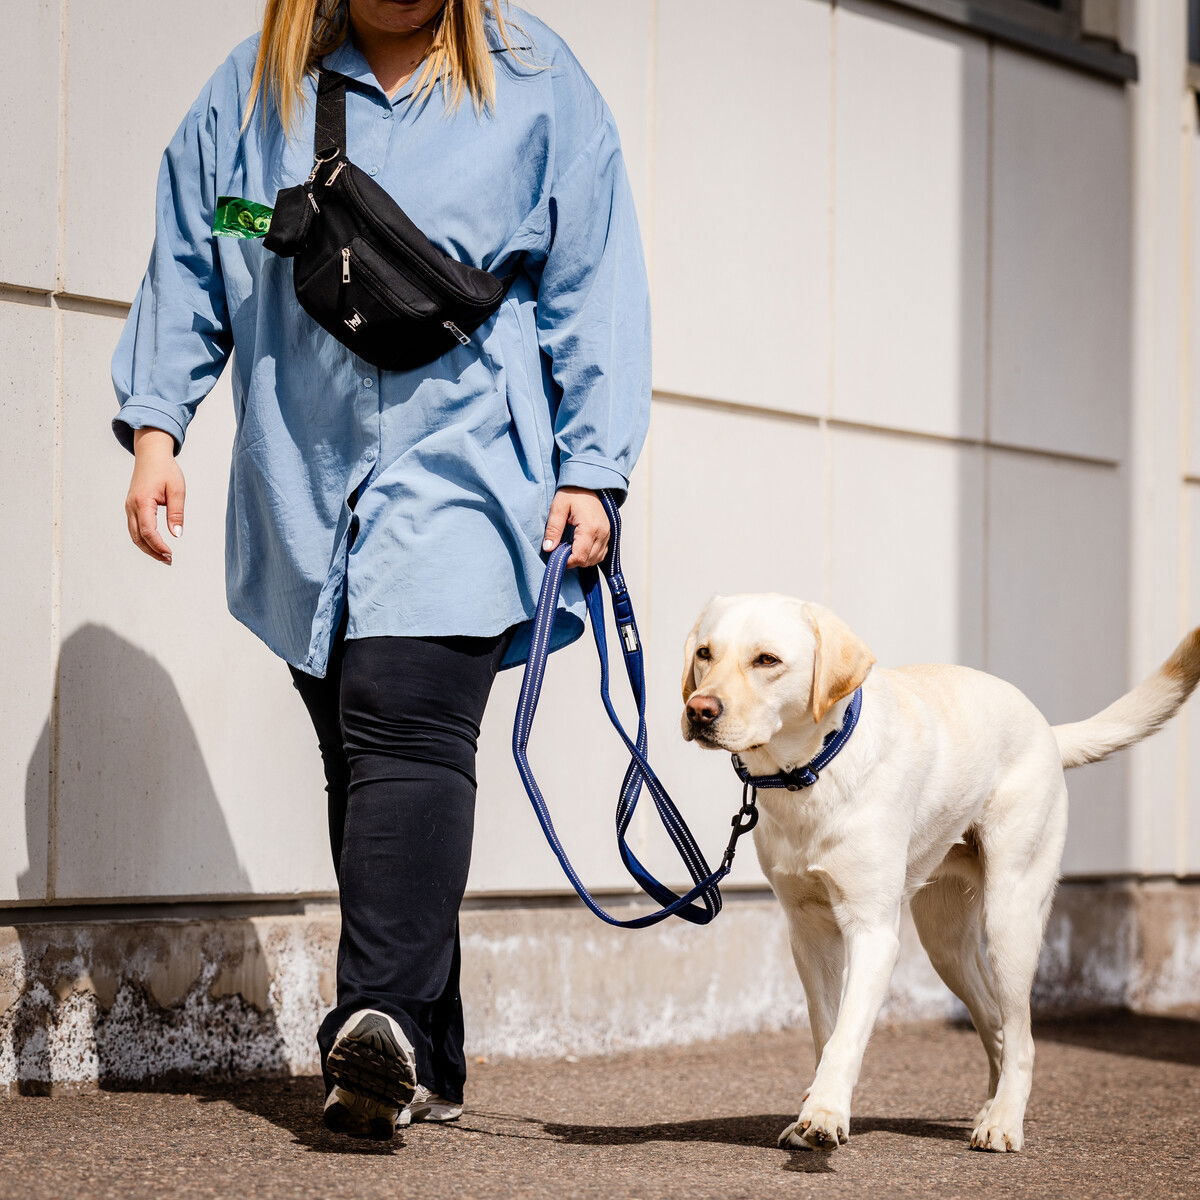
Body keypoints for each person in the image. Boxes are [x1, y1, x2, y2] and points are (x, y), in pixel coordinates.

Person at [109, 0, 650, 1140]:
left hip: (468, 463)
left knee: (404, 718)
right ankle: (431, 1049)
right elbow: (199, 243)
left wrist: (593, 470)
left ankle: (376, 1021)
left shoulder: (537, 81)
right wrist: (159, 426)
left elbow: (592, 282)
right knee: (360, 751)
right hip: (300, 472)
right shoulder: (255, 90)